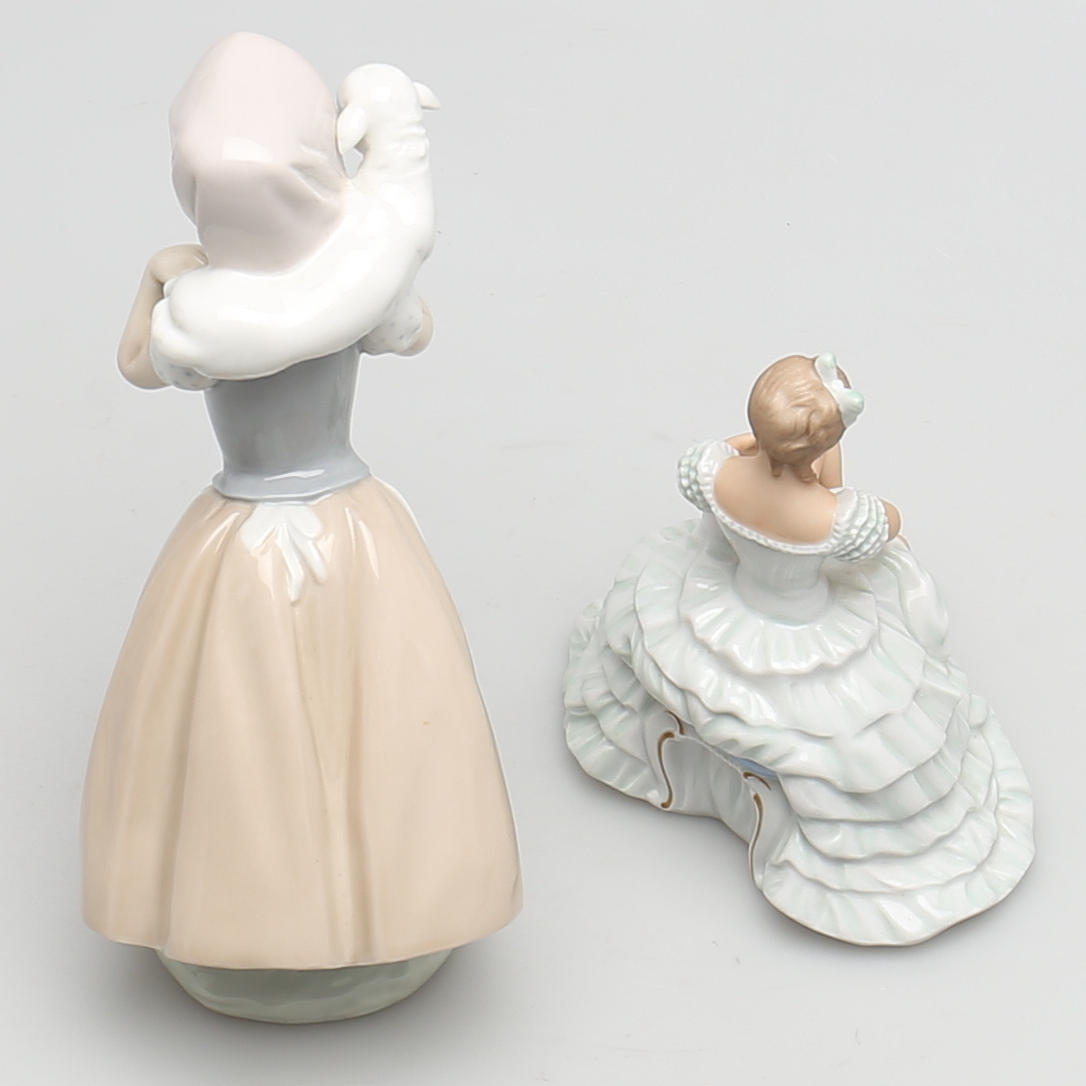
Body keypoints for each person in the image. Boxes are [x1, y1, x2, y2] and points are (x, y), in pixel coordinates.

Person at [82, 33, 520, 1022]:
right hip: (351, 522)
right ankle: (362, 911)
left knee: (241, 731)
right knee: (371, 719)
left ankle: (257, 917)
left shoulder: (198, 305)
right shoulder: (356, 280)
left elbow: (137, 365)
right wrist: (372, 227)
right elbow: (415, 331)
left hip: (237, 532)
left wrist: (155, 278)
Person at [563, 353, 1033, 945]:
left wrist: (769, 449)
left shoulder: (715, 471)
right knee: (868, 727)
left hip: (725, 604)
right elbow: (884, 520)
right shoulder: (833, 516)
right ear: (824, 442)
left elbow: (736, 452)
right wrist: (819, 462)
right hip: (803, 627)